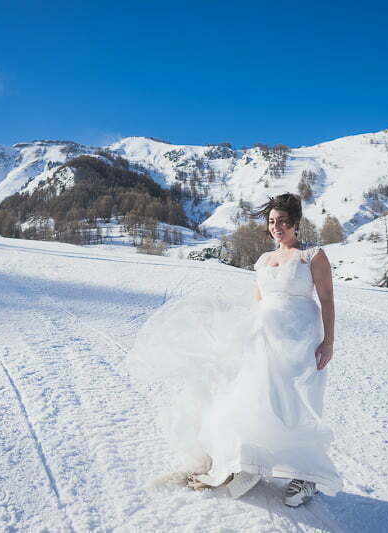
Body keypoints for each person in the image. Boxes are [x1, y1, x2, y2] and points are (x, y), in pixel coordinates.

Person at [129, 193, 342, 507]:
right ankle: (252, 462)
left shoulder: (312, 256)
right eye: (271, 222)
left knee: (298, 403)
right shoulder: (263, 261)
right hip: (264, 337)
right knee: (257, 398)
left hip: (300, 338)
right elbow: (259, 303)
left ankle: (305, 476)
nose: (277, 227)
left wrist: (328, 342)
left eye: (283, 221)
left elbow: (326, 300)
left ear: (295, 223)